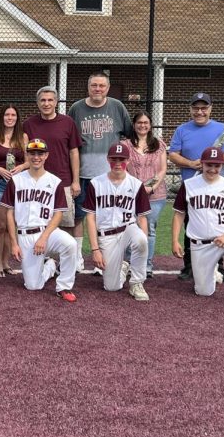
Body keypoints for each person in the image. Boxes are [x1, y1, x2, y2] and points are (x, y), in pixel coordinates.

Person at [171, 146, 224, 311]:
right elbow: (179, 214)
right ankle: (213, 269)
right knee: (203, 292)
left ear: (222, 166)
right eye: (209, 165)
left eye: (217, 165)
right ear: (202, 164)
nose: (212, 169)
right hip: (200, 244)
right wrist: (175, 241)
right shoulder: (189, 185)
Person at [168, 92, 224, 282]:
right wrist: (191, 164)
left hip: (217, 187)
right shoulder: (182, 129)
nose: (200, 112)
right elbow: (173, 154)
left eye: (203, 108)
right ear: (190, 109)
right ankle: (190, 266)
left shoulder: (223, 129)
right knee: (191, 226)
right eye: (196, 108)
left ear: (210, 109)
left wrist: (211, 161)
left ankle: (219, 267)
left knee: (219, 226)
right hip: (192, 186)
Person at [68, 72, 133, 272]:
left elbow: (130, 134)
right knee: (79, 216)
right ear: (88, 87)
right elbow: (70, 141)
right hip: (84, 173)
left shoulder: (117, 107)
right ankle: (77, 257)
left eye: (102, 86)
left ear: (107, 87)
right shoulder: (76, 108)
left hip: (109, 175)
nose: (98, 89)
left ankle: (102, 259)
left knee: (105, 217)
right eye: (94, 85)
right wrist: (74, 177)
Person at [1, 138, 78, 302]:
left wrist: (44, 237)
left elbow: (58, 214)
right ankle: (50, 266)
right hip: (25, 235)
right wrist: (14, 243)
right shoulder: (16, 180)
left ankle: (64, 286)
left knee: (70, 244)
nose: (36, 157)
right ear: (27, 155)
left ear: (46, 156)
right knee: (33, 286)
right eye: (33, 153)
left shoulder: (54, 181)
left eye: (40, 153)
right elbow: (9, 213)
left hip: (47, 232)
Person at [82, 142, 151, 302]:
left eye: (122, 159)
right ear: (107, 159)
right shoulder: (96, 183)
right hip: (106, 235)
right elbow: (90, 218)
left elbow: (142, 217)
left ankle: (137, 282)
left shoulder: (136, 184)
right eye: (114, 159)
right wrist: (95, 249)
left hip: (128, 228)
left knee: (140, 240)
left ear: (128, 160)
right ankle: (122, 269)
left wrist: (143, 242)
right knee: (111, 287)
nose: (118, 163)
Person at [22, 85, 83, 235]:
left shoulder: (67, 122)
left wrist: (75, 181)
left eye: (50, 100)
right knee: (39, 222)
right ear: (37, 103)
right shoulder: (28, 124)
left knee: (66, 223)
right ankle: (45, 258)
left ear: (56, 102)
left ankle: (68, 257)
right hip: (36, 182)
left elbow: (74, 152)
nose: (46, 103)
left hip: (63, 181)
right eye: (43, 100)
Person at [121, 111, 167, 278]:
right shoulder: (125, 145)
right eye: (139, 122)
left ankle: (146, 265)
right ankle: (127, 263)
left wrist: (152, 187)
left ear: (150, 125)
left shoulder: (158, 144)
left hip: (154, 196)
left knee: (150, 230)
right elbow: (122, 168)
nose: (143, 125)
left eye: (146, 122)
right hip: (130, 195)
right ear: (134, 125)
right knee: (129, 228)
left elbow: (162, 169)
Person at [0, 104, 27, 277]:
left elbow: (30, 160)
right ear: (2, 117)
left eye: (13, 115)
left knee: (12, 227)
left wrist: (22, 167)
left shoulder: (23, 137)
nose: (10, 118)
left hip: (17, 184)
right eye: (7, 115)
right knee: (0, 226)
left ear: (17, 118)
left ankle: (7, 262)